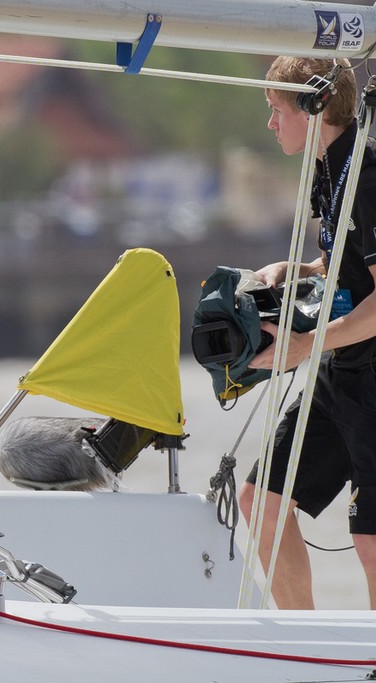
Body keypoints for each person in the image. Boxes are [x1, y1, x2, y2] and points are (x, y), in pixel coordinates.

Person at [237, 56, 376, 609]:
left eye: (275, 110)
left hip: (370, 379)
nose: (270, 124)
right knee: (261, 503)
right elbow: (338, 266)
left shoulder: (365, 176)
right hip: (338, 370)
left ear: (314, 105)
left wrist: (299, 346)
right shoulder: (328, 168)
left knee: (370, 540)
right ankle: (308, 650)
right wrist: (289, 270)